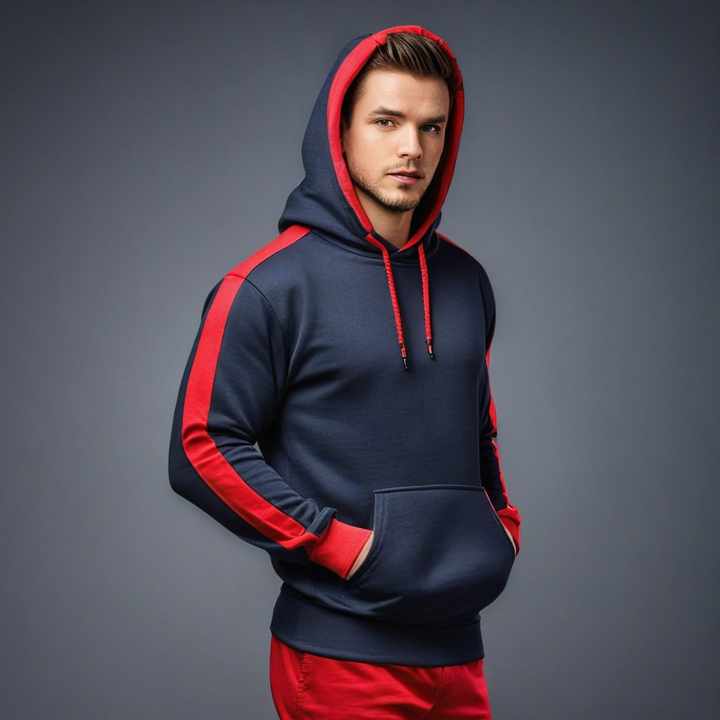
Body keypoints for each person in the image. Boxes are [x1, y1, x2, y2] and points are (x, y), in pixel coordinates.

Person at [168, 23, 522, 719]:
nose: (411, 147)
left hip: (458, 648)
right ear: (340, 131)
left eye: (431, 127)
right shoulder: (269, 288)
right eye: (386, 122)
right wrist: (336, 543)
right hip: (339, 655)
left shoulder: (466, 282)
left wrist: (500, 527)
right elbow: (201, 447)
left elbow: (476, 430)